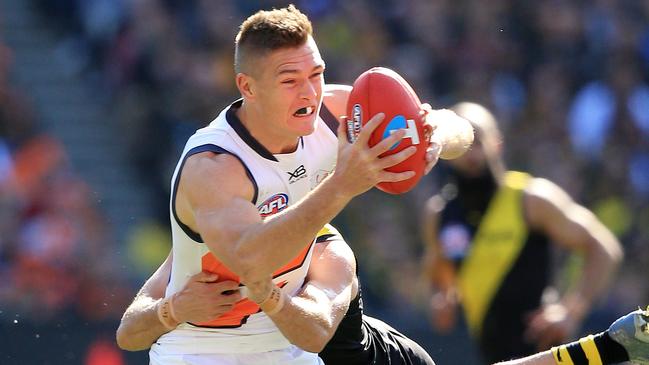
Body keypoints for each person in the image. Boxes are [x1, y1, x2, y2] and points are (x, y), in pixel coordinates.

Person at [124, 5, 472, 364]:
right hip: (200, 354)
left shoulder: (332, 114)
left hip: (290, 351)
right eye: (290, 80)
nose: (309, 92)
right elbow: (251, 260)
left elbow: (460, 130)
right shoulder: (214, 167)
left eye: (316, 74)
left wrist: (432, 137)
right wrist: (341, 186)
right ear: (248, 87)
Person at [116, 228, 649, 365]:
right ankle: (614, 347)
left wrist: (271, 298)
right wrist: (171, 309)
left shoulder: (328, 251)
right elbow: (129, 331)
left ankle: (610, 347)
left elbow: (314, 331)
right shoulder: (208, 245)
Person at [420, 102, 624, 364]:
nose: (472, 155)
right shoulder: (439, 215)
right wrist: (441, 297)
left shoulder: (530, 198)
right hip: (490, 354)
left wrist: (570, 312)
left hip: (545, 351)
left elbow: (604, 247)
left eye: (479, 142)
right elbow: (438, 272)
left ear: (497, 144)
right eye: (463, 146)